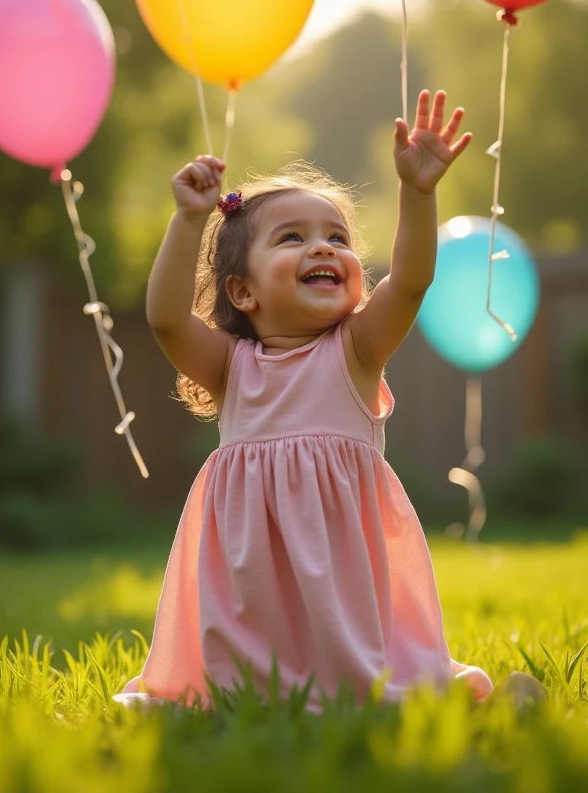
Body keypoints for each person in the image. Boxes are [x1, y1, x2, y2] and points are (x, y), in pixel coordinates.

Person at [116, 89, 494, 710]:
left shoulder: (356, 352)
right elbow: (164, 319)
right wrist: (189, 219)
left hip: (338, 566)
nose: (323, 248)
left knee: (358, 680)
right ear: (243, 291)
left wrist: (418, 195)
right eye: (292, 238)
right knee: (246, 680)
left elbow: (413, 280)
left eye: (337, 237)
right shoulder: (231, 367)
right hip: (251, 569)